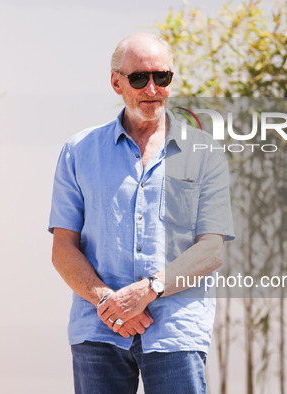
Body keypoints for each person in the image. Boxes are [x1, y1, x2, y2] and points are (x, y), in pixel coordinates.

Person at [48, 32, 234, 394]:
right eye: (139, 78)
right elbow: (63, 248)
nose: (152, 88)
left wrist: (149, 291)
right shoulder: (78, 152)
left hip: (176, 333)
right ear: (116, 82)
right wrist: (108, 301)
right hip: (98, 330)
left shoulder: (205, 153)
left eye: (161, 77)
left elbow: (211, 248)